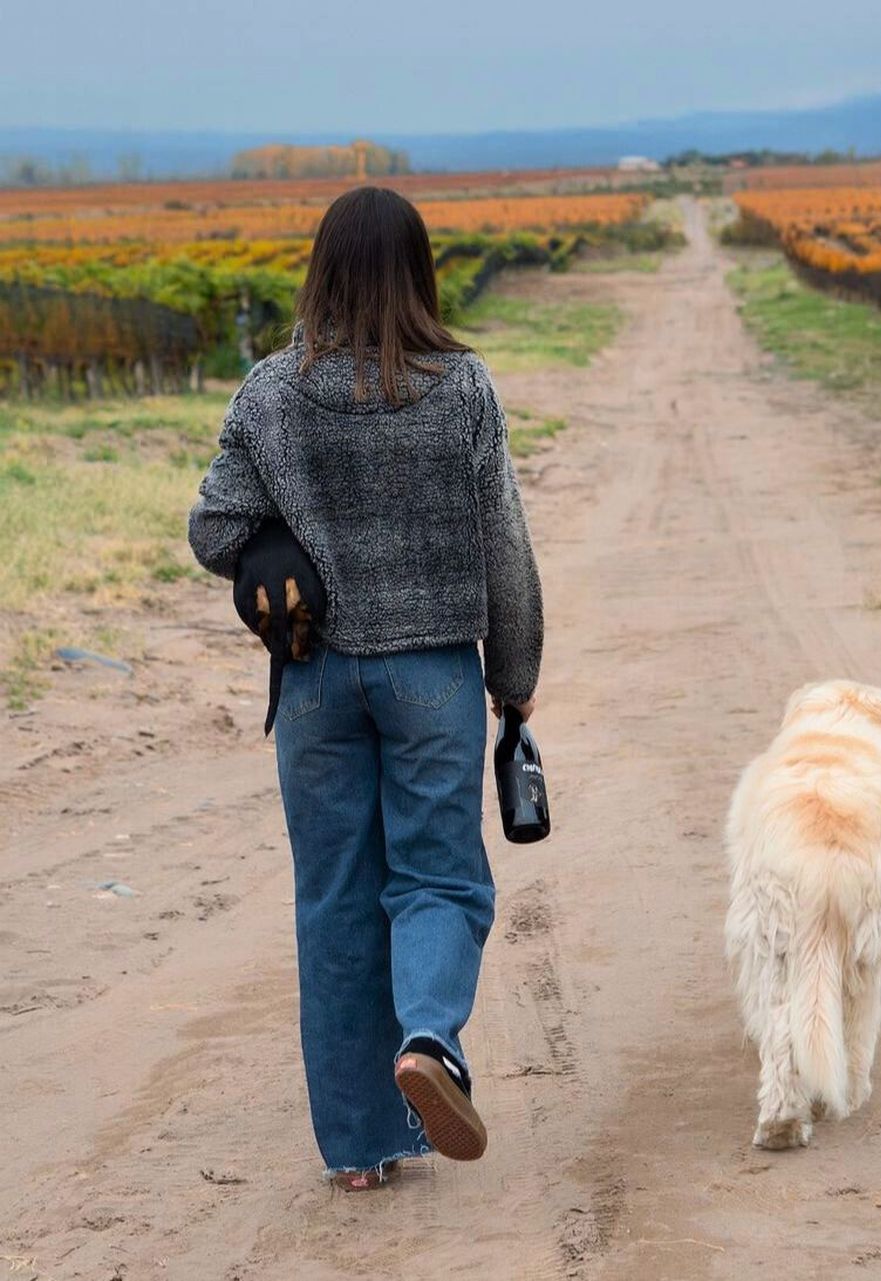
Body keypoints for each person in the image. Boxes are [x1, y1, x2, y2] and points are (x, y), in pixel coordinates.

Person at [188, 186, 543, 1190]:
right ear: (419, 270)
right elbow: (505, 550)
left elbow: (211, 527)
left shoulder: (268, 392)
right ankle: (430, 1040)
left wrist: (274, 542)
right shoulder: (464, 387)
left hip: (314, 681)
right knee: (436, 879)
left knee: (335, 899)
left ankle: (356, 1150)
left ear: (322, 268)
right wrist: (514, 683)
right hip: (433, 671)